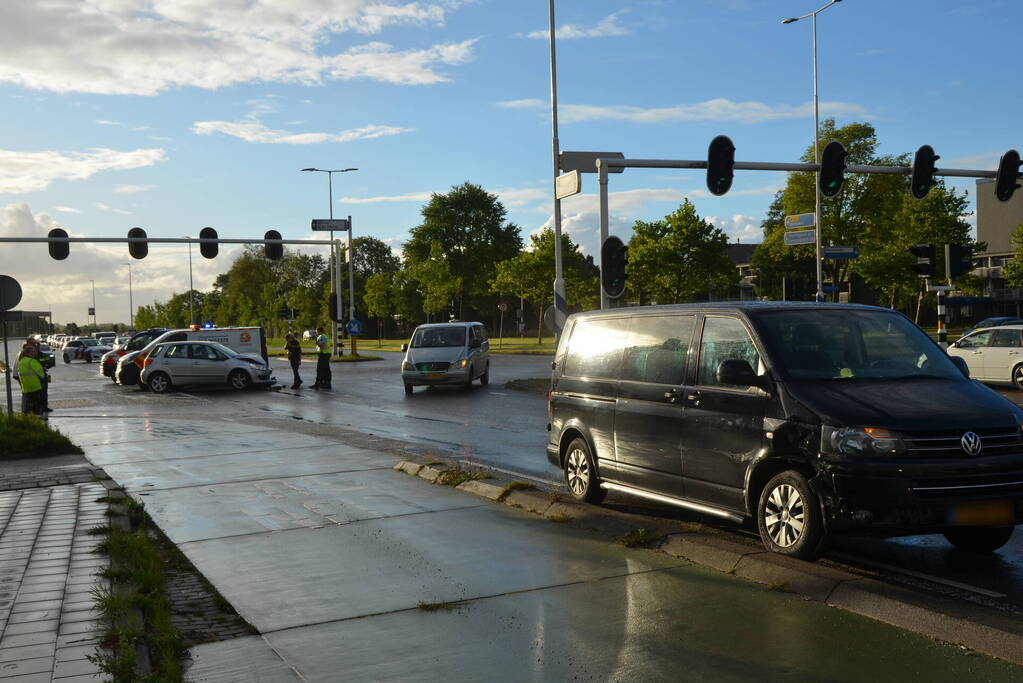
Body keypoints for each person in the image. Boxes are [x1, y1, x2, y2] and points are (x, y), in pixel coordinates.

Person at [17, 344, 45, 416]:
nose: (34, 353)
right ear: (27, 353)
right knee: (37, 404)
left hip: (26, 387)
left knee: (28, 405)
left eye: (34, 351)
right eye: (32, 352)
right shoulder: (32, 361)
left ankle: (28, 418)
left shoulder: (21, 361)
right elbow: (41, 374)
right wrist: (44, 377)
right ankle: (38, 417)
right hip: (35, 386)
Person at [24, 337, 51, 412]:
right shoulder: (28, 356)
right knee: (35, 397)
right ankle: (37, 410)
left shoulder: (41, 354)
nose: (36, 346)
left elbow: (48, 362)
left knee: (43, 394)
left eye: (37, 345)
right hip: (34, 379)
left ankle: (44, 407)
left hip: (42, 376)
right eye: (34, 344)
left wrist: (47, 364)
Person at [311, 326, 332, 390]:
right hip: (324, 354)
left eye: (316, 332)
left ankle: (322, 383)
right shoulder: (322, 337)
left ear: (320, 331)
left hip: (324, 354)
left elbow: (322, 346)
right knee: (323, 369)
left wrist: (316, 341)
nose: (316, 333)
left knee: (322, 369)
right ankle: (322, 383)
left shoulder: (322, 336)